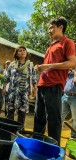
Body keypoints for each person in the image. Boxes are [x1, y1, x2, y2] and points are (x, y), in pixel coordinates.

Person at [34, 17, 76, 145]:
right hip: (41, 85)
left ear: (60, 27)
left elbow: (72, 63)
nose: (49, 31)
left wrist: (48, 66)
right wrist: (40, 68)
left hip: (54, 86)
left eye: (51, 27)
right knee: (38, 119)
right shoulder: (51, 45)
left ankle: (54, 151)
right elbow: (48, 65)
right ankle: (35, 147)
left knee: (53, 120)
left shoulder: (67, 42)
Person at [2, 45, 37, 125]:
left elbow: (34, 79)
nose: (22, 52)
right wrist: (4, 88)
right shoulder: (12, 65)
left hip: (24, 93)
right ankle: (9, 131)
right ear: (16, 54)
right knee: (10, 113)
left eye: (24, 50)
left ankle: (19, 131)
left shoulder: (30, 65)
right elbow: (6, 78)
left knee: (22, 114)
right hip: (12, 93)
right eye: (20, 51)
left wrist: (35, 90)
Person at [61, 69, 76, 139]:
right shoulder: (69, 73)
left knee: (75, 118)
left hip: (74, 97)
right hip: (65, 95)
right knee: (60, 115)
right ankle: (57, 131)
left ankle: (73, 136)